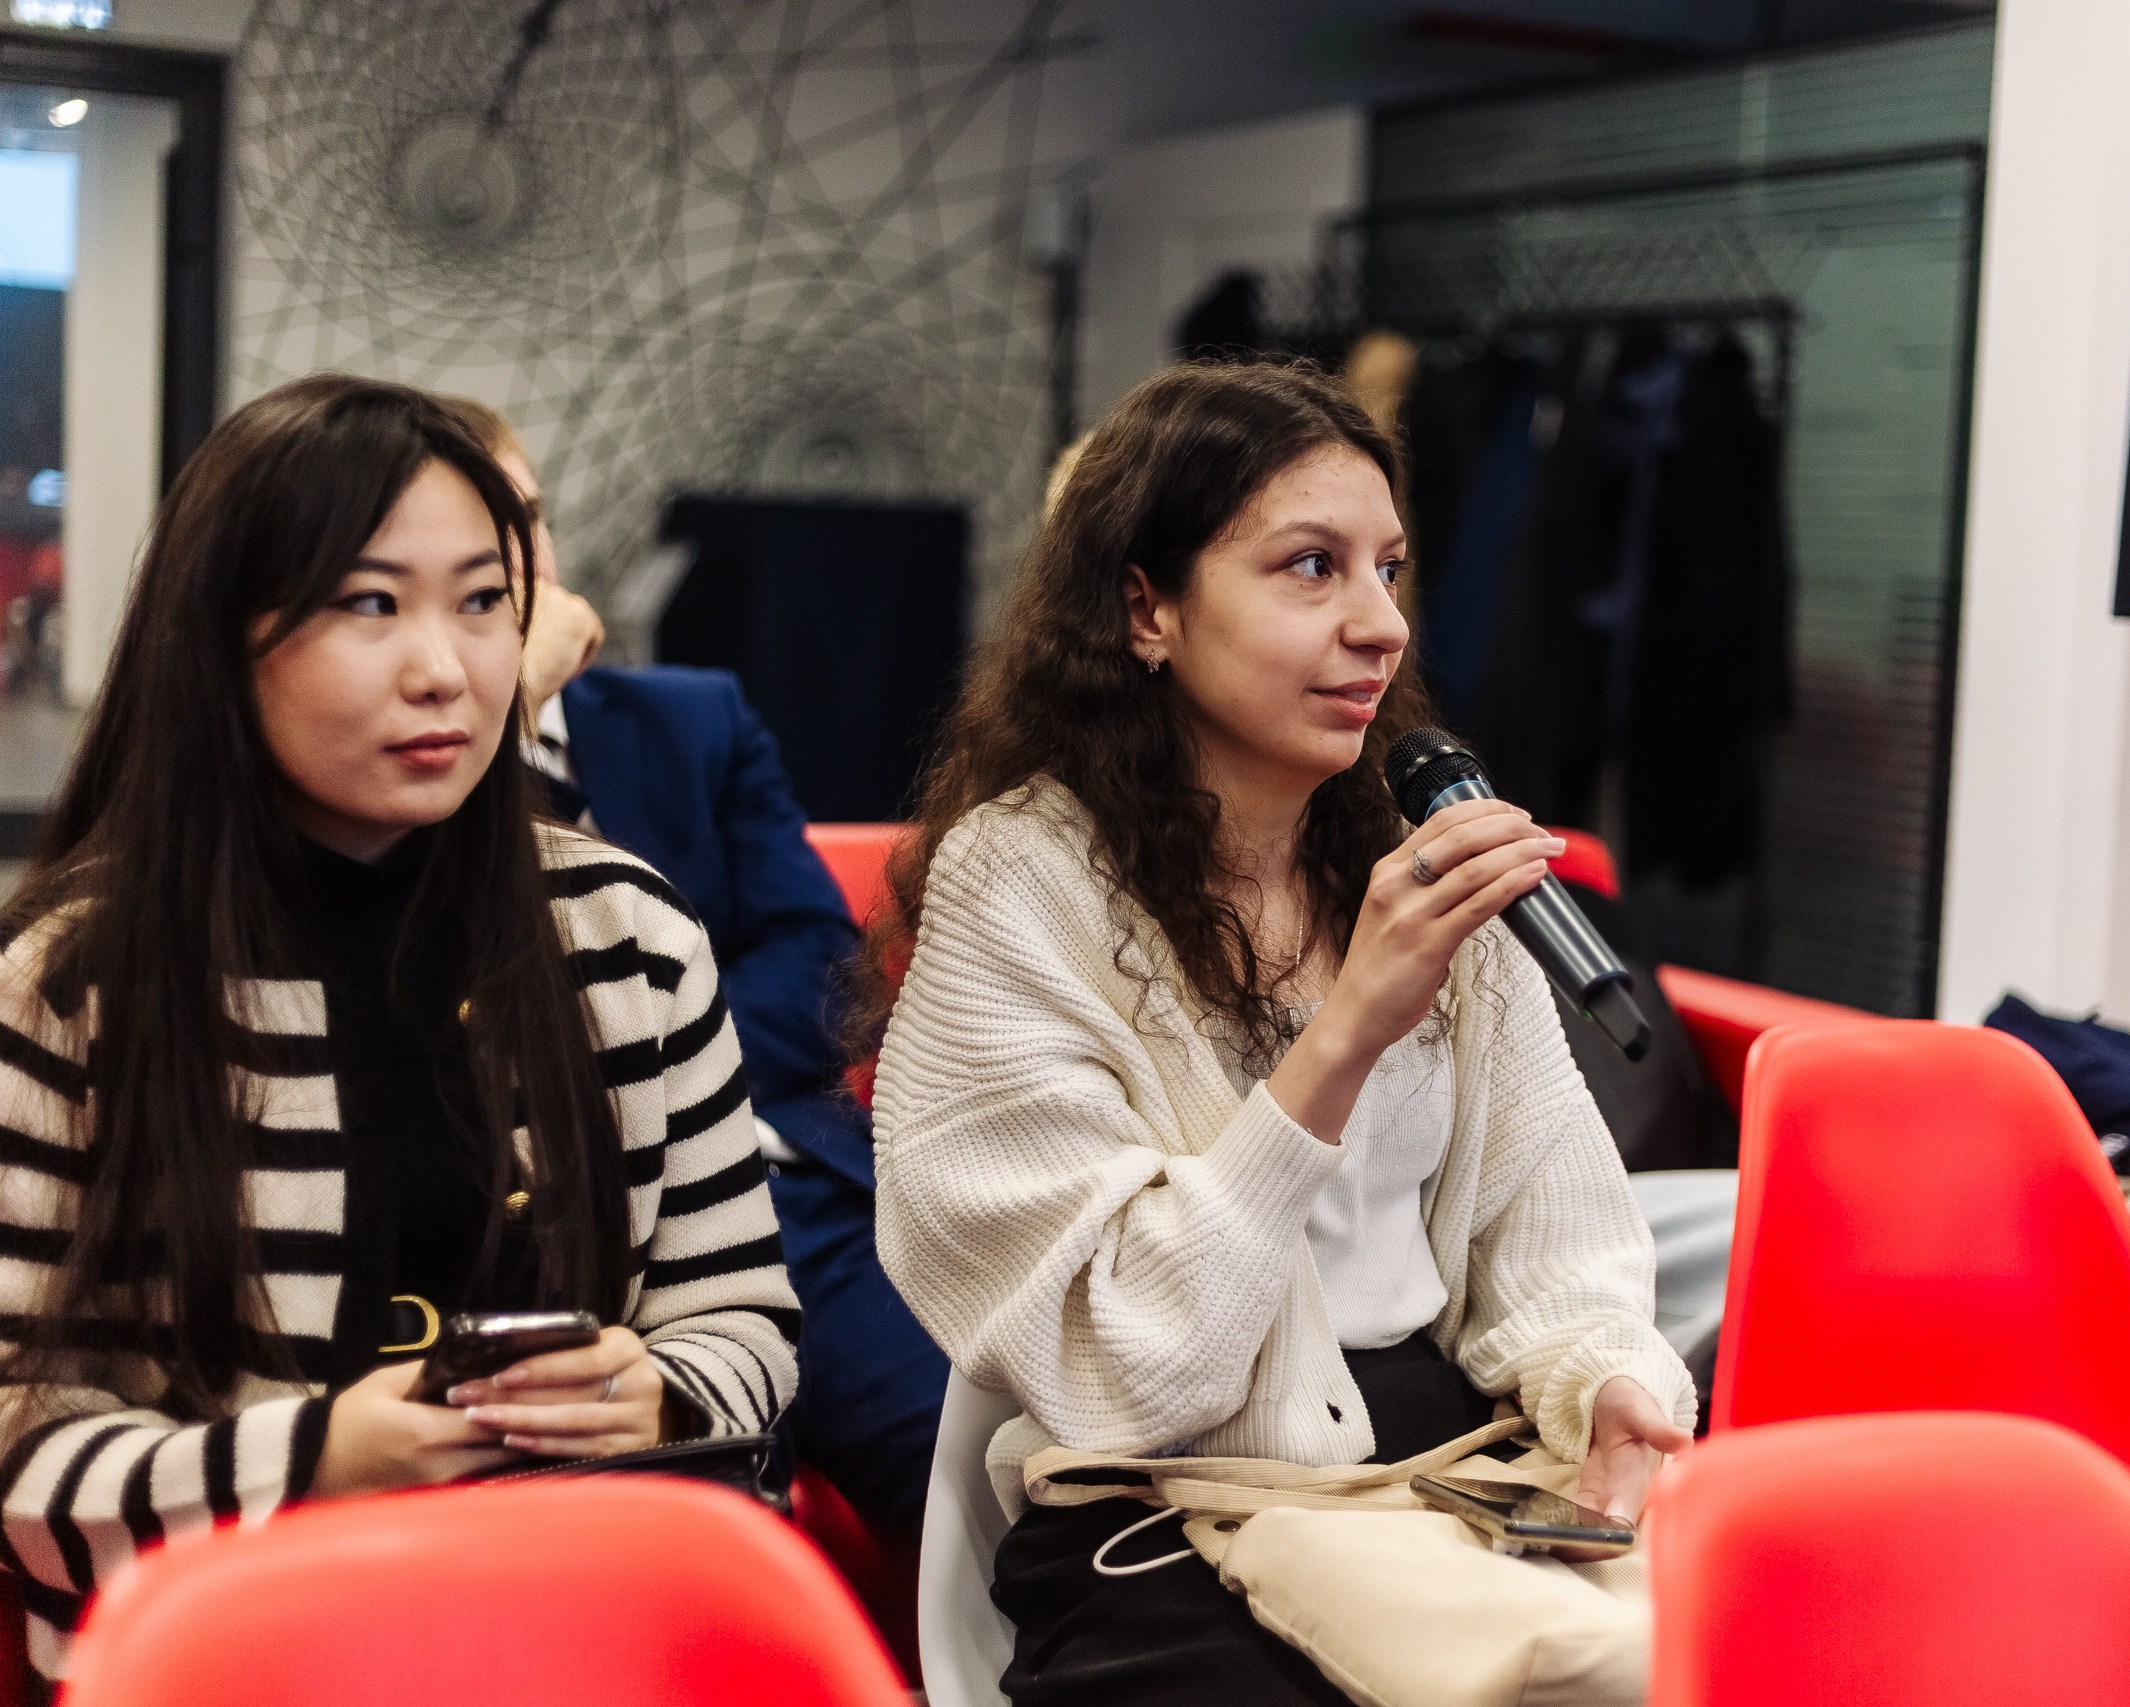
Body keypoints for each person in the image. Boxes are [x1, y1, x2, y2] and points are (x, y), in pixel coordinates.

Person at [863, 361, 1695, 1707]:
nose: (1379, 625)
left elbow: (1560, 1238)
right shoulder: (1020, 883)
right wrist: (1344, 1034)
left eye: (1392, 569)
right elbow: (1127, 1364)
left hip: (1444, 1472)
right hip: (1159, 1502)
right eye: (1311, 567)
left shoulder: (1416, 854)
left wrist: (1600, 1377)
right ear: (1147, 607)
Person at [0, 375, 798, 1684]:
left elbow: (746, 1323)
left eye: (484, 601)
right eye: (370, 604)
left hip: (581, 1635)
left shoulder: (627, 937)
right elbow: (19, 1444)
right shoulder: (79, 981)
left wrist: (651, 1393)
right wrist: (316, 1462)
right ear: (222, 636)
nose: (447, 667)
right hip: (228, 1656)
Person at [437, 396, 947, 1538]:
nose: (514, 561)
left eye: (525, 520)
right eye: (465, 539)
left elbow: (817, 965)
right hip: (529, 1215)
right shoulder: (380, 786)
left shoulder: (690, 719)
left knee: (971, 1455)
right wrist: (504, 715)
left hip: (774, 1181)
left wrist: (654, 1055)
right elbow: (460, 994)